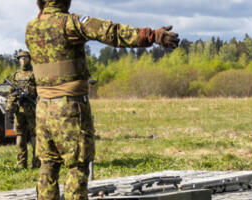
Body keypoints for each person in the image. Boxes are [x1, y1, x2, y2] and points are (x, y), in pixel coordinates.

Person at [26, 0, 179, 199]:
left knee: (48, 165)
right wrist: (152, 36)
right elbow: (111, 32)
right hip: (69, 107)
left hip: (43, 108)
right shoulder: (70, 23)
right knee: (77, 166)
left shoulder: (31, 27)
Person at [6, 51, 40, 169]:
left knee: (35, 136)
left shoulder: (35, 74)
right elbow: (10, 93)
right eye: (21, 58)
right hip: (19, 111)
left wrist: (30, 93)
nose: (23, 60)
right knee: (20, 136)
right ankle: (21, 164)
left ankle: (36, 163)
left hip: (32, 110)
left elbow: (40, 90)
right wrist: (12, 102)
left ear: (29, 59)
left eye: (25, 57)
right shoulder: (15, 75)